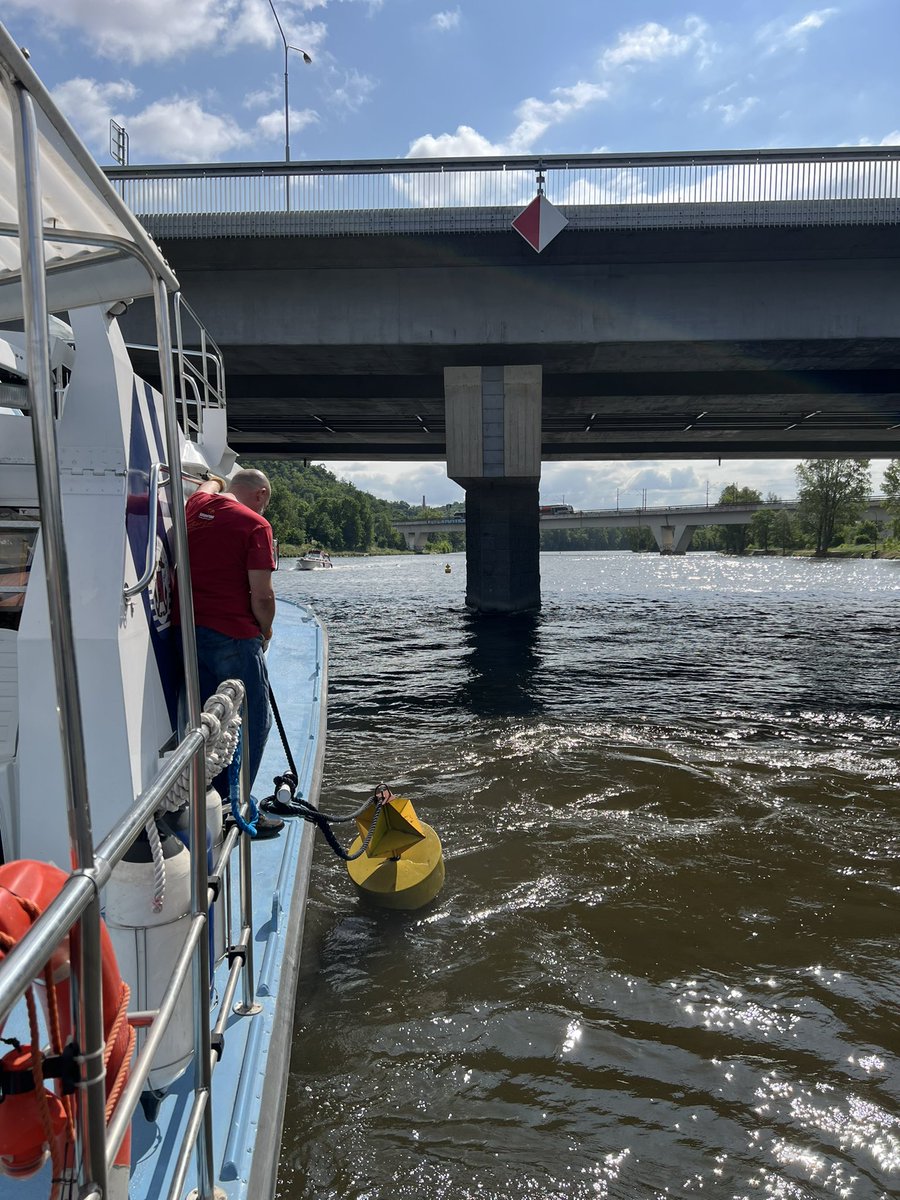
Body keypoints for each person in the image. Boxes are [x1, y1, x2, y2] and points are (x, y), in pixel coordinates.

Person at [184, 467, 283, 835]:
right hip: (234, 637)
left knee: (208, 721)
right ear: (259, 496)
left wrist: (215, 479)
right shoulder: (255, 524)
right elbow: (263, 595)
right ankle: (236, 809)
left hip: (190, 633)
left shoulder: (196, 506)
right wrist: (266, 629)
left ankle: (210, 797)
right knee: (252, 722)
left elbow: (208, 487)